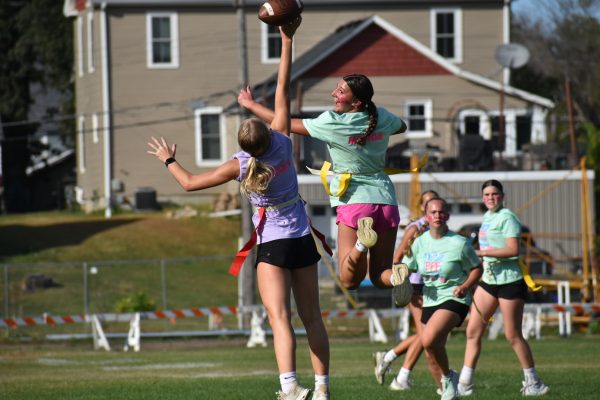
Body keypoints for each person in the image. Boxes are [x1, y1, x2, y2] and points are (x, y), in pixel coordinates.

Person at [147, 19, 331, 400]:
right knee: (312, 318)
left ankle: (291, 388)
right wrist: (286, 38)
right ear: (267, 133)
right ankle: (324, 389)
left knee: (280, 320)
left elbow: (189, 183)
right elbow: (282, 87)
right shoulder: (283, 141)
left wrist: (168, 160)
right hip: (300, 240)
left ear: (244, 146)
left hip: (273, 246)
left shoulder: (241, 166)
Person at [238, 73, 408, 299]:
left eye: (340, 91)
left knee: (349, 281)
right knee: (379, 274)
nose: (333, 94)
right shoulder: (383, 117)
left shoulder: (333, 123)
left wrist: (250, 105)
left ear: (356, 102)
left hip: (355, 200)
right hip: (386, 200)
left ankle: (361, 245)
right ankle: (397, 277)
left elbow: (284, 123)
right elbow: (402, 127)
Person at [457, 180, 549, 397]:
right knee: (473, 330)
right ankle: (464, 383)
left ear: (502, 196)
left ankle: (534, 382)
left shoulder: (508, 217)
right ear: (482, 198)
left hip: (510, 282)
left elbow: (513, 250)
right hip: (489, 281)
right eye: (487, 194)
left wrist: (482, 253)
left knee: (512, 335)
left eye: (495, 194)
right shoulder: (487, 218)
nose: (491, 197)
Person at [400, 197, 483, 400]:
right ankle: (449, 378)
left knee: (428, 339)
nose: (437, 216)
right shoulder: (419, 243)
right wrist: (397, 281)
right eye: (433, 212)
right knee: (432, 346)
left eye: (441, 212)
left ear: (447, 215)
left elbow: (477, 268)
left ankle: (447, 382)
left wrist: (465, 286)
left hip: (455, 298)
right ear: (426, 216)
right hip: (430, 300)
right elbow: (406, 268)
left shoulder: (459, 243)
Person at [373, 190, 442, 393]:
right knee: (427, 336)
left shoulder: (439, 229)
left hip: (435, 287)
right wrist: (399, 282)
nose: (434, 210)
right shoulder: (416, 227)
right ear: (423, 207)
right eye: (428, 204)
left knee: (429, 335)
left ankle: (389, 359)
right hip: (415, 287)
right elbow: (398, 256)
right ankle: (404, 377)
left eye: (436, 205)